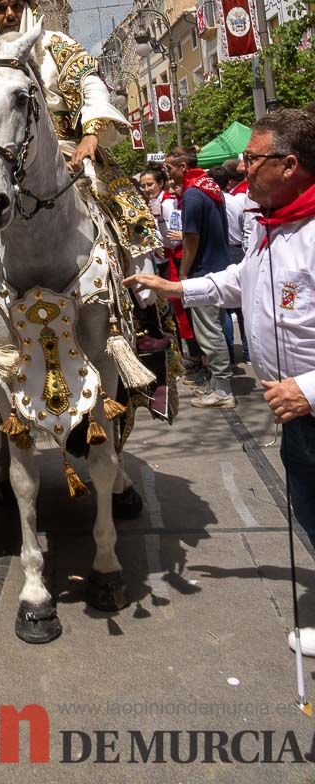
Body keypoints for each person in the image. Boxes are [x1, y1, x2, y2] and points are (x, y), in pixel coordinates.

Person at [0, 0, 178, 422]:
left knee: (128, 212)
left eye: (15, 3)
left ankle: (140, 314)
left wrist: (92, 133)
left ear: (28, 5)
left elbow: (92, 85)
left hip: (69, 156)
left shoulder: (59, 46)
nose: (8, 12)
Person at [126, 108, 315, 652]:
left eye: (253, 159)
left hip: (306, 404)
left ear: (290, 164)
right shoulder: (271, 225)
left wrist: (308, 388)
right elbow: (238, 281)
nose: (241, 167)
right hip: (294, 415)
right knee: (309, 513)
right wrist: (174, 289)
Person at [161, 149, 233, 408]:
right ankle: (220, 383)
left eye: (169, 168)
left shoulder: (192, 193)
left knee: (209, 332)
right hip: (219, 266)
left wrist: (183, 272)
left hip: (203, 270)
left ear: (182, 166)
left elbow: (191, 237)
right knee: (215, 327)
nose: (166, 173)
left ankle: (223, 390)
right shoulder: (208, 185)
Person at [209, 164, 250, 364]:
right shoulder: (238, 202)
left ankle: (230, 355)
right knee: (244, 305)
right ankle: (248, 352)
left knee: (224, 305)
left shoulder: (213, 203)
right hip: (238, 249)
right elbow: (246, 228)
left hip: (222, 250)